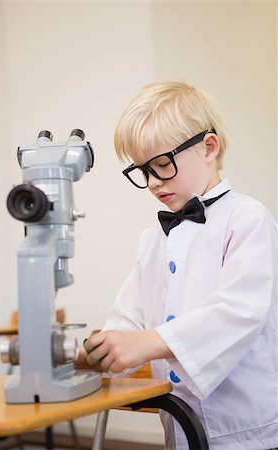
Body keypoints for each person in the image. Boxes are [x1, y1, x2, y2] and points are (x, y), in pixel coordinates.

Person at [76, 81, 278, 450]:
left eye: (162, 165)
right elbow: (129, 319)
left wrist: (150, 343)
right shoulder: (152, 240)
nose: (152, 183)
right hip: (179, 426)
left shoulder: (247, 219)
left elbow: (240, 312)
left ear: (208, 147)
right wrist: (101, 349)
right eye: (142, 171)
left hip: (247, 429)